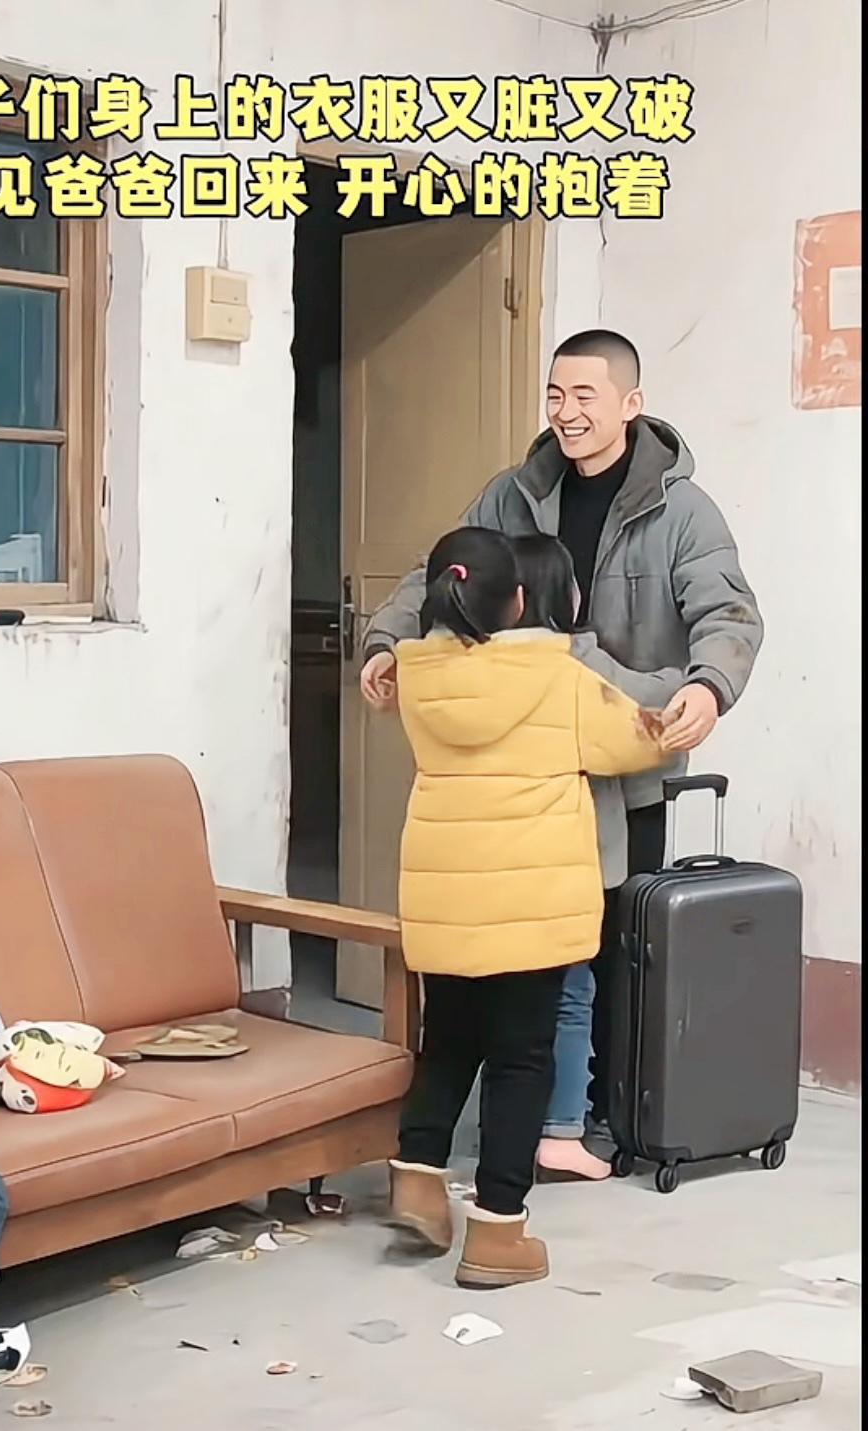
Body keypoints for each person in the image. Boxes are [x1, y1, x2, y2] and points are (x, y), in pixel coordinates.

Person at [362, 330, 763, 1159]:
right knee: (530, 955)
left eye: (585, 395)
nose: (567, 412)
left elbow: (728, 612)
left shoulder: (682, 511)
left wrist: (707, 686)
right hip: (527, 766)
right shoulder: (513, 494)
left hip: (629, 761)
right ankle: (544, 1123)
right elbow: (437, 573)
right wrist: (384, 642)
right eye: (555, 394)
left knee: (614, 949)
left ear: (630, 404)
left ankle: (601, 1113)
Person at [388, 526, 668, 1289]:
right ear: (517, 601)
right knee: (521, 1061)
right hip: (532, 909)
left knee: (448, 1040)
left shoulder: (416, 678)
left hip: (447, 900)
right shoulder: (559, 677)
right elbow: (638, 741)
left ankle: (417, 1180)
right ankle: (497, 1231)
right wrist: (688, 702)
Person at [511, 535, 685, 1181]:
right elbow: (648, 721)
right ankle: (560, 1130)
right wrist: (692, 684)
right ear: (569, 596)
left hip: (498, 866)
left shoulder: (473, 667)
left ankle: (502, 1126)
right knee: (572, 991)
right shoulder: (580, 665)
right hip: (572, 864)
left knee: (499, 997)